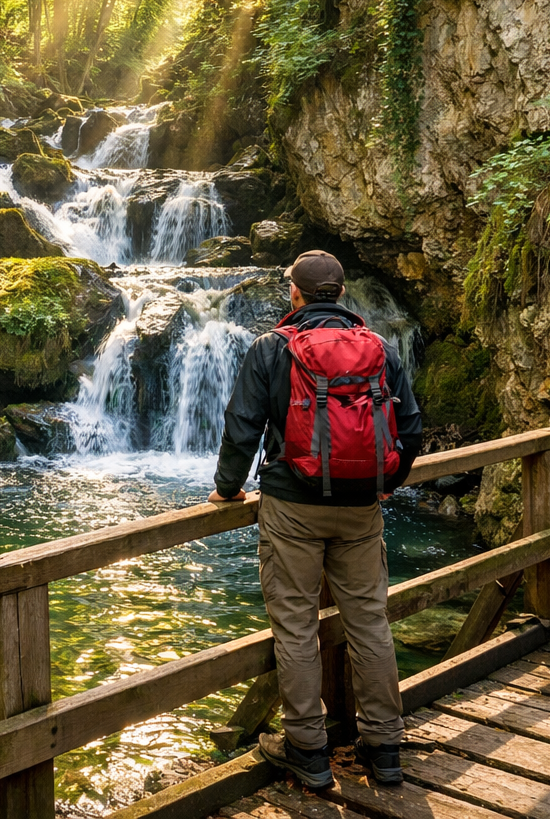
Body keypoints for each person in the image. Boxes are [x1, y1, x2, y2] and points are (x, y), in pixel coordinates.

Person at [209, 249, 421, 789]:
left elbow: (242, 426)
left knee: (297, 627)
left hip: (291, 505)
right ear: (342, 293)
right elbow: (411, 429)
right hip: (360, 508)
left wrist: (227, 489)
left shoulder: (271, 348)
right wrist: (384, 484)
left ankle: (307, 749)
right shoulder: (378, 348)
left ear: (294, 294)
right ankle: (385, 746)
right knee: (369, 621)